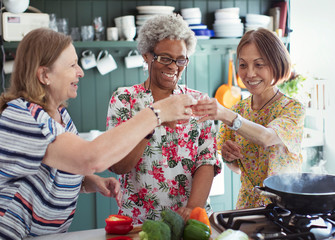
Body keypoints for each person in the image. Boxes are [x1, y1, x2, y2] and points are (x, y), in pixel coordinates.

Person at [0, 28, 197, 239]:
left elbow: (63, 168)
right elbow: (89, 158)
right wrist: (158, 112)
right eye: (72, 65)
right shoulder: (22, 116)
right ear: (44, 75)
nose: (80, 72)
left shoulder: (60, 116)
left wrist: (90, 182)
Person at [106, 14, 222, 223]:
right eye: (165, 58)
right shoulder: (125, 100)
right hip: (140, 222)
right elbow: (118, 166)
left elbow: (207, 161)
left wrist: (193, 208)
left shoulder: (197, 101)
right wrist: (153, 121)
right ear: (146, 55)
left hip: (191, 220)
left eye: (180, 60)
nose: (173, 66)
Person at [193, 28, 305, 209]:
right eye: (243, 65)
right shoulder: (238, 109)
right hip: (248, 206)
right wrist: (230, 158)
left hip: (285, 206)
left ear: (277, 64)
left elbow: (266, 137)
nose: (249, 73)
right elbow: (239, 168)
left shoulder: (292, 109)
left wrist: (224, 114)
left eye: (259, 64)